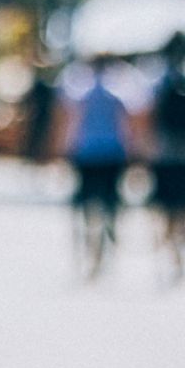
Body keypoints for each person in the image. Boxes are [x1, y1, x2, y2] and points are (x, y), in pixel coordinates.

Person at [148, 35, 185, 281]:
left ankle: (168, 246)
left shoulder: (156, 82)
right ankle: (180, 246)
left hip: (162, 154)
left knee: (163, 207)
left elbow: (148, 120)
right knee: (183, 206)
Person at [66, 60, 131, 281]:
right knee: (110, 202)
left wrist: (66, 148)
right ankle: (106, 235)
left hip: (87, 154)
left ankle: (91, 243)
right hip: (112, 154)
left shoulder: (83, 95)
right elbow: (126, 127)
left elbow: (74, 124)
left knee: (86, 203)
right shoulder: (117, 97)